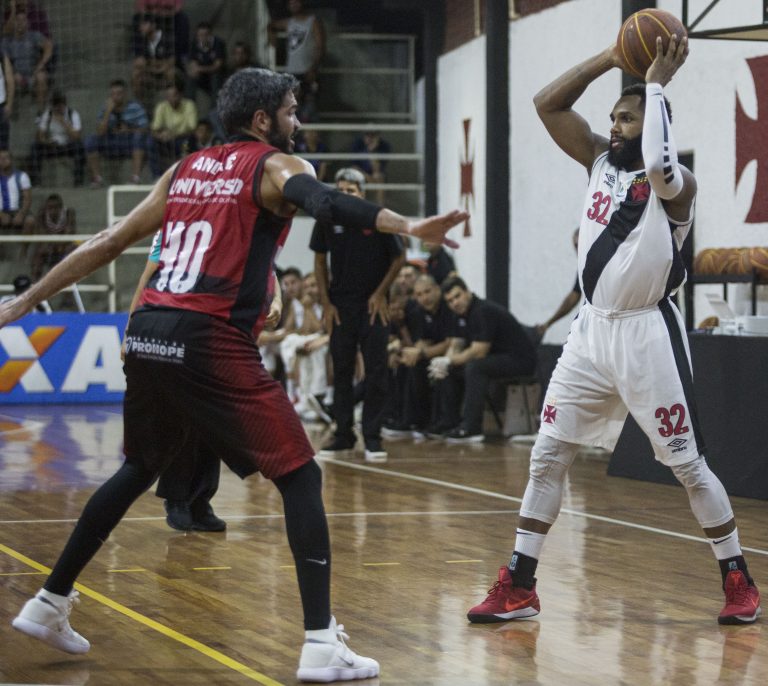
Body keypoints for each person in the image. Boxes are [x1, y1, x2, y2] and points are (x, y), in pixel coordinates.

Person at [3, 66, 465, 680]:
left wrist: (24, 301)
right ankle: (321, 643)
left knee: (140, 466)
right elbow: (326, 203)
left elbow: (110, 241)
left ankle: (48, 600)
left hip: (149, 330)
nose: (298, 120)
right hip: (208, 335)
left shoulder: (185, 169)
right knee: (300, 473)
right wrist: (406, 224)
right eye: (292, 110)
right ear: (262, 119)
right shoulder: (276, 166)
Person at [467, 36, 761, 626]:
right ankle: (520, 584)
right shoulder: (600, 160)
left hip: (648, 335)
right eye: (614, 118)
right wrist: (610, 56)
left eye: (628, 118)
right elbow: (546, 103)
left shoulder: (679, 185)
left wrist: (655, 86)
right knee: (548, 455)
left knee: (687, 464)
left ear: (655, 123)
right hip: (591, 333)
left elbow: (660, 166)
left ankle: (738, 579)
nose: (615, 127)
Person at [122, 230, 227, 532]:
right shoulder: (171, 228)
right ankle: (177, 497)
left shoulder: (230, 224)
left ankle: (201, 499)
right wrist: (130, 329)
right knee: (179, 418)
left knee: (213, 421)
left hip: (215, 328)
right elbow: (146, 278)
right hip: (174, 327)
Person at [312, 167, 407, 464]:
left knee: (376, 370)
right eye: (340, 190)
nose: (345, 195)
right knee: (341, 369)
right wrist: (326, 303)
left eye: (350, 191)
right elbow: (319, 259)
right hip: (341, 306)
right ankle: (343, 433)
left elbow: (399, 256)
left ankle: (373, 436)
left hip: (373, 306)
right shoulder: (327, 218)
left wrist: (380, 293)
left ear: (361, 194)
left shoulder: (378, 217)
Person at [429, 276, 536, 443]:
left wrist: (449, 361)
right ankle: (450, 422)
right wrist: (443, 363)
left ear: (467, 292)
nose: (455, 303)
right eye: (450, 301)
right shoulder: (459, 316)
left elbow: (479, 352)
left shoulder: (482, 311)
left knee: (475, 367)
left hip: (520, 359)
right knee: (450, 369)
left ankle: (472, 428)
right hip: (496, 359)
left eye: (457, 296)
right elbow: (456, 346)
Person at [382, 273, 453, 438]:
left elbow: (449, 343)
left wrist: (421, 352)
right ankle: (404, 418)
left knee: (422, 365)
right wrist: (411, 353)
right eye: (419, 294)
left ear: (437, 290)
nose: (424, 298)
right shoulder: (419, 312)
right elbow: (420, 341)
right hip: (431, 354)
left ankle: (422, 420)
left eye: (427, 292)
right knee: (405, 362)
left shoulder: (448, 308)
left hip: (450, 355)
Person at [85, 79, 148, 187]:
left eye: (119, 93)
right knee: (91, 140)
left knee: (139, 137)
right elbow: (100, 132)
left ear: (125, 94)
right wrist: (108, 112)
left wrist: (128, 130)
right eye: (113, 94)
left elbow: (145, 129)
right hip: (112, 141)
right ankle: (97, 179)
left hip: (129, 142)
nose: (116, 97)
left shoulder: (135, 107)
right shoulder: (106, 108)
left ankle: (135, 178)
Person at [269, 0, 324, 121]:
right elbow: (271, 25)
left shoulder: (312, 21)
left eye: (296, 1)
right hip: (292, 73)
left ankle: (311, 132)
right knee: (291, 110)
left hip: (308, 71)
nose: (294, 4)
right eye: (291, 2)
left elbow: (320, 47)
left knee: (310, 110)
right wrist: (272, 39)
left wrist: (313, 68)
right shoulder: (289, 22)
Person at [29, 91, 85, 187]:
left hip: (68, 145)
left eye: (61, 106)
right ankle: (36, 181)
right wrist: (47, 142)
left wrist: (63, 122)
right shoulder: (48, 114)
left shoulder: (72, 114)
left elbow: (77, 136)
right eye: (56, 106)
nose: (59, 109)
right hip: (53, 146)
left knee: (79, 146)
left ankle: (78, 181)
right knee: (35, 147)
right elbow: (40, 136)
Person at [2, 8, 52, 111]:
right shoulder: (7, 41)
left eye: (23, 20)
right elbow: (4, 61)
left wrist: (40, 65)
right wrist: (13, 73)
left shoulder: (34, 36)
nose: (20, 23)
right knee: (7, 78)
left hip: (33, 74)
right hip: (15, 76)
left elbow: (49, 46)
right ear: (13, 23)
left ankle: (40, 112)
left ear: (28, 23)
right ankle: (7, 110)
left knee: (41, 77)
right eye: (18, 20)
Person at [535, 228, 581, 337]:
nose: (577, 250)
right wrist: (548, 324)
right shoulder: (584, 267)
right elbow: (572, 298)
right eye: (575, 246)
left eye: (578, 245)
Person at [148, 81, 197, 178]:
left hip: (183, 139)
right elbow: (154, 129)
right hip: (166, 140)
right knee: (151, 141)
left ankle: (184, 175)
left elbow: (192, 128)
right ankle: (156, 176)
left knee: (188, 141)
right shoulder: (161, 107)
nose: (172, 98)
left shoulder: (189, 105)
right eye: (168, 96)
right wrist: (160, 135)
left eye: (174, 95)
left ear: (180, 95)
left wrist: (174, 135)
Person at [26, 193, 76, 281]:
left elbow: (69, 233)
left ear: (61, 207)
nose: (53, 210)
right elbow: (41, 234)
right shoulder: (41, 214)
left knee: (73, 248)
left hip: (63, 245)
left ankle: (69, 282)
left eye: (55, 207)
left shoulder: (69, 213)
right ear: (46, 208)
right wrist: (51, 245)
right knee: (38, 253)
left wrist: (59, 245)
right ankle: (35, 282)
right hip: (49, 245)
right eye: (50, 208)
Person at [185, 21, 226, 102]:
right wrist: (195, 70)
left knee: (216, 77)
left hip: (214, 74)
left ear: (210, 35)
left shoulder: (219, 43)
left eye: (206, 35)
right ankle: (190, 105)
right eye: (200, 35)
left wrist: (200, 69)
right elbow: (193, 64)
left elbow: (217, 66)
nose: (203, 38)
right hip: (201, 75)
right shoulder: (194, 44)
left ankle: (214, 107)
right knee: (191, 77)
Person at [0, 149, 33, 236]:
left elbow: (27, 199)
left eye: (6, 158)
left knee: (30, 221)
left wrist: (21, 214)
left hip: (17, 210)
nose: (3, 160)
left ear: (11, 160)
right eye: (1, 158)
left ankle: (23, 245)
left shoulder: (22, 176)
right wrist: (1, 214)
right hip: (1, 211)